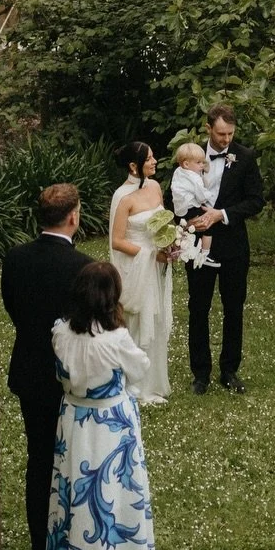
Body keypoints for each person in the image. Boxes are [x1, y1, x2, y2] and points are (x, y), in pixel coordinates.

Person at [44, 259, 159, 550]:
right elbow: (140, 367)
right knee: (117, 500)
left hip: (74, 424)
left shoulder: (60, 333)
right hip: (111, 426)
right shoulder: (116, 340)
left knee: (74, 499)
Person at [0, 182, 88, 550]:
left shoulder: (15, 259)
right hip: (71, 380)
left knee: (39, 461)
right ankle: (72, 549)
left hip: (30, 372)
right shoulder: (83, 267)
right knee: (73, 463)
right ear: (73, 217)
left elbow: (13, 308)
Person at [186, 102, 264, 395]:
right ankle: (200, 373)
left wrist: (222, 214)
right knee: (198, 307)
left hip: (233, 244)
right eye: (221, 134)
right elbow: (176, 196)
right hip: (198, 244)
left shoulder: (245, 157)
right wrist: (190, 220)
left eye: (230, 134)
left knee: (234, 307)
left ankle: (229, 370)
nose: (226, 139)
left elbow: (256, 200)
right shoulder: (189, 156)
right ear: (208, 128)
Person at [108, 140, 174, 405]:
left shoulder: (156, 187)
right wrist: (149, 254)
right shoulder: (122, 197)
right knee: (137, 321)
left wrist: (170, 244)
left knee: (155, 318)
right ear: (133, 166)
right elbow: (117, 241)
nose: (154, 162)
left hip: (155, 265)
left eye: (153, 156)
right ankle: (134, 386)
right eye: (148, 159)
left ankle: (153, 383)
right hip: (136, 265)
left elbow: (162, 225)